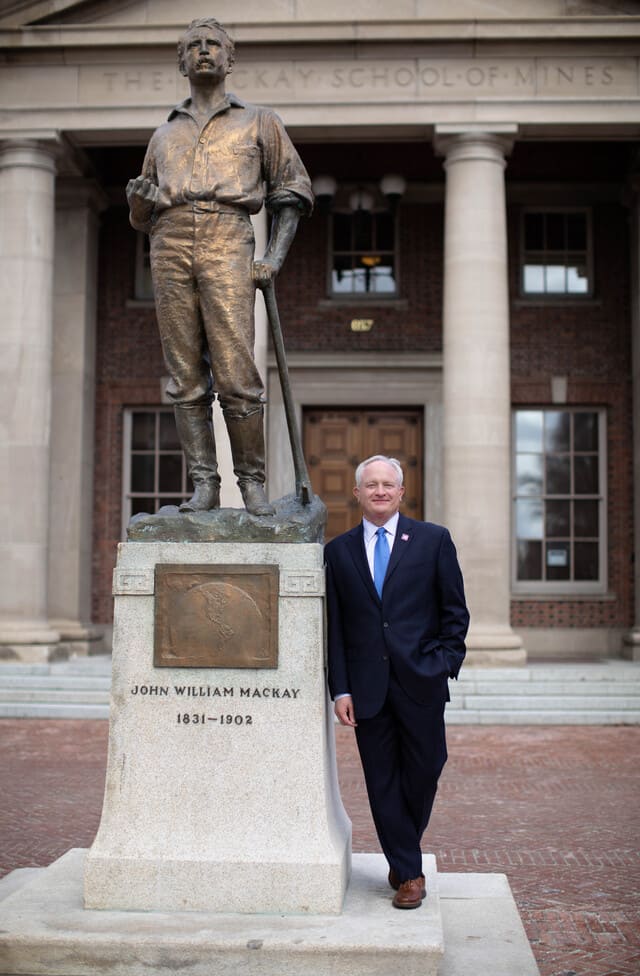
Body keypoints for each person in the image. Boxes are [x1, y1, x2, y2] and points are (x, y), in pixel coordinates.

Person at [126, 17, 313, 516]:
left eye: (214, 45)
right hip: (168, 242)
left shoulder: (260, 121)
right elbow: (142, 216)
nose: (204, 52)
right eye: (193, 46)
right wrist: (139, 203)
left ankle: (250, 482)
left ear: (230, 59)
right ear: (181, 61)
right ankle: (204, 484)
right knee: (184, 375)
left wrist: (272, 257)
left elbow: (293, 192)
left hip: (228, 234)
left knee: (236, 371)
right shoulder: (163, 133)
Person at [324, 455, 469, 909]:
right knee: (381, 779)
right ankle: (408, 872)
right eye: (371, 485)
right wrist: (340, 689)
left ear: (401, 493)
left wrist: (444, 661)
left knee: (427, 767)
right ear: (358, 494)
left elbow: (454, 611)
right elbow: (337, 629)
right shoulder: (338, 551)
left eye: (388, 484)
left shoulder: (433, 541)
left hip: (422, 679)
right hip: (367, 688)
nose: (380, 491)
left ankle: (401, 846)